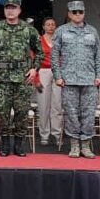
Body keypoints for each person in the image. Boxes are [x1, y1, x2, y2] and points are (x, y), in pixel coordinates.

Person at [0, 0, 42, 158]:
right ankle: (4, 144)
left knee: (21, 113)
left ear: (19, 10)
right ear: (4, 10)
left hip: (23, 78)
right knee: (3, 113)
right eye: (7, 8)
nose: (10, 11)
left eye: (13, 8)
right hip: (2, 79)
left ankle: (19, 144)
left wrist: (34, 69)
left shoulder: (28, 29)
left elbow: (40, 51)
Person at [52, 0, 100, 159]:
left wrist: (99, 76)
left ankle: (86, 145)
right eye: (74, 12)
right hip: (68, 80)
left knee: (89, 114)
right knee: (71, 114)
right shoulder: (61, 31)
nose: (77, 15)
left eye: (80, 12)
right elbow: (55, 55)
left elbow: (99, 55)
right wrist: (58, 76)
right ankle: (74, 145)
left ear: (84, 13)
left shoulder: (92, 31)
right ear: (69, 14)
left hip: (89, 80)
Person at [36, 17, 63, 147]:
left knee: (57, 105)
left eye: (53, 24)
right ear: (43, 27)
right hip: (43, 71)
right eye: (48, 24)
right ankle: (44, 134)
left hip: (57, 72)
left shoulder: (59, 40)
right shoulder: (38, 40)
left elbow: (64, 56)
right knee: (43, 105)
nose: (51, 26)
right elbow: (33, 58)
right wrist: (35, 77)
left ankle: (57, 134)